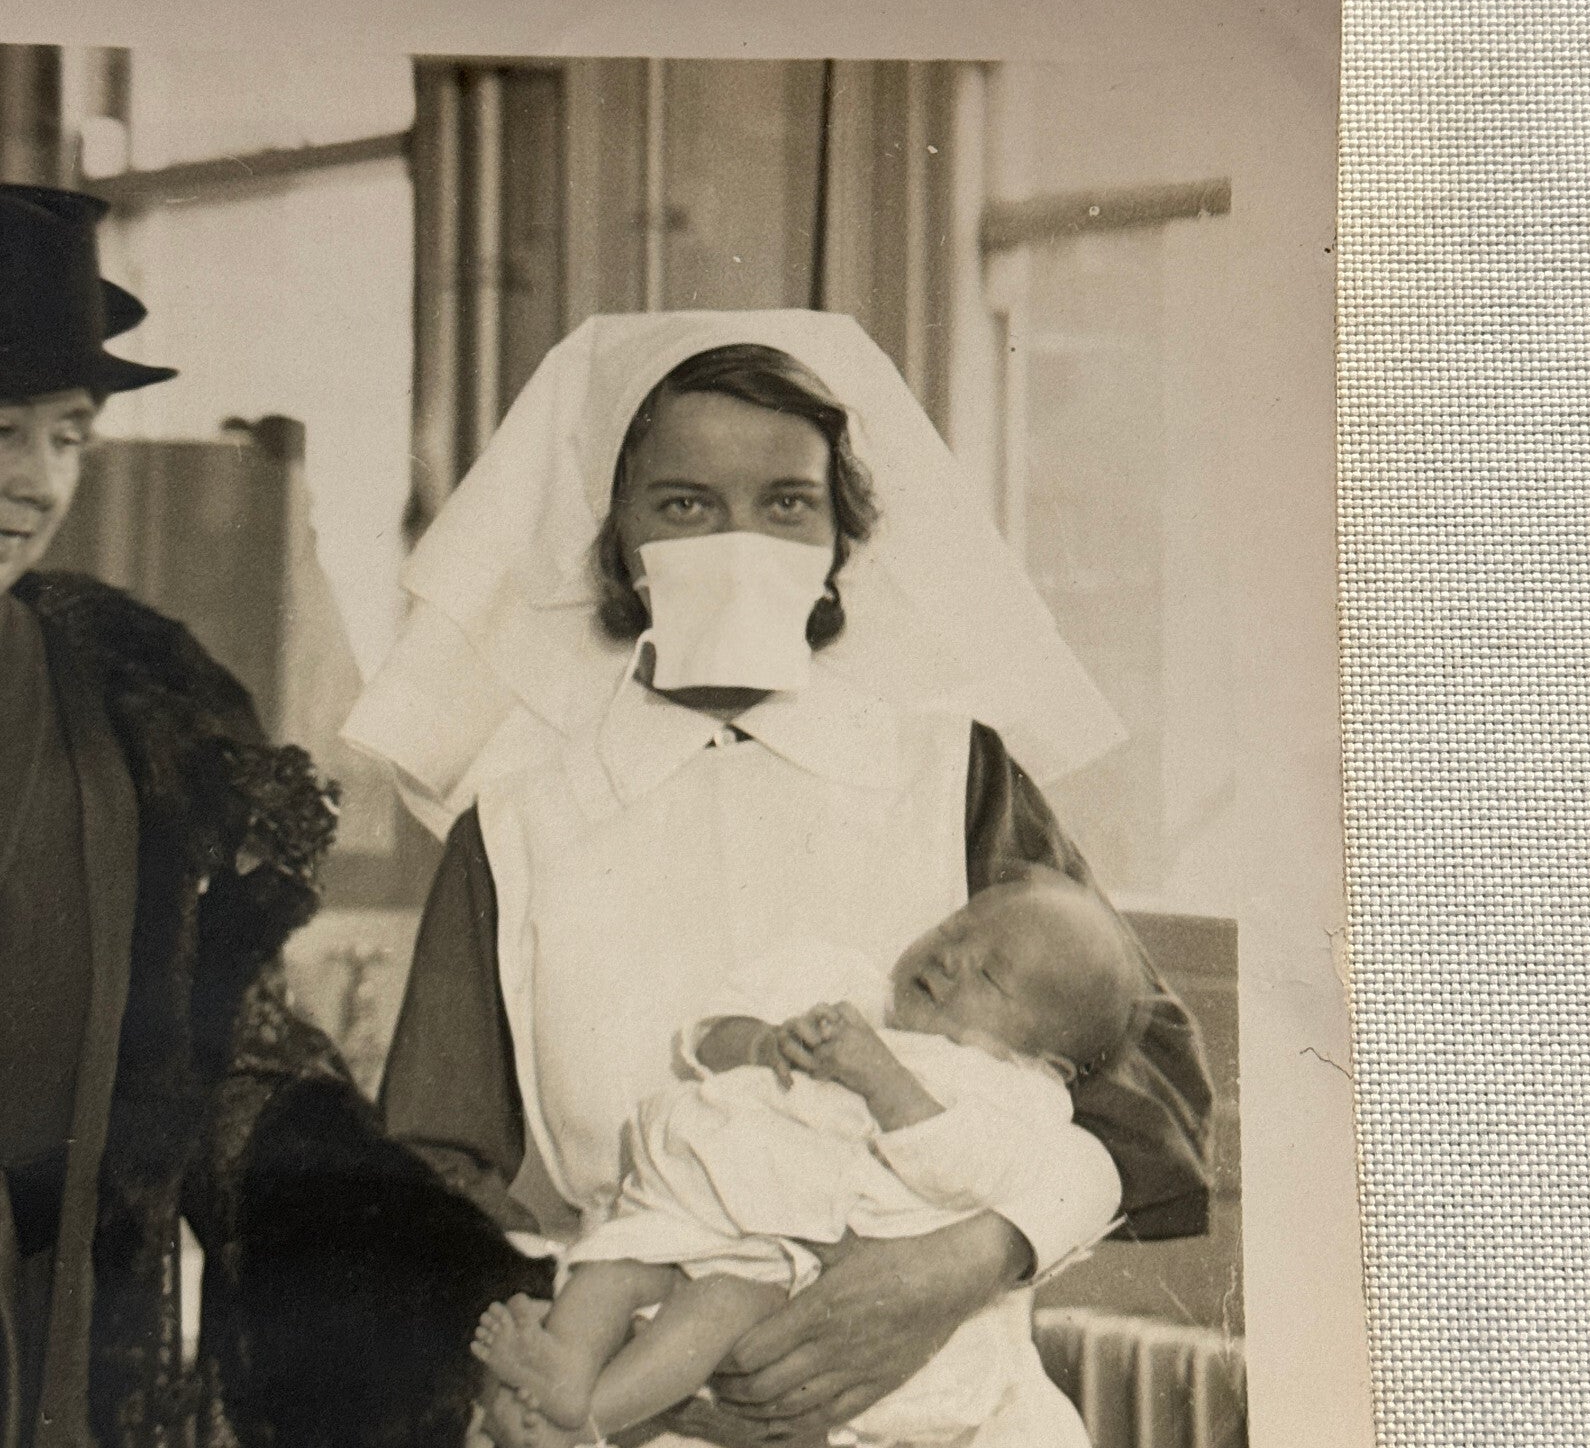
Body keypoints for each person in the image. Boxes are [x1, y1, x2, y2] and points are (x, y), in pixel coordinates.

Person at [347, 312, 1215, 1447]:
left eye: (786, 502)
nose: (737, 541)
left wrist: (961, 1259)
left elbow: (1146, 1083)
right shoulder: (516, 825)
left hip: (945, 1405)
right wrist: (583, 1375)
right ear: (614, 540)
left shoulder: (952, 771)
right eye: (684, 503)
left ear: (840, 537)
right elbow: (429, 1172)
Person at [0, 184, 548, 1448]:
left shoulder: (134, 704)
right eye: (2, 429)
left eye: (69, 436)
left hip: (56, 1373)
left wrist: (466, 1301)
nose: (35, 483)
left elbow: (233, 1068)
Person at [471, 871, 1141, 1448]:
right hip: (688, 1207)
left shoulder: (1003, 1090)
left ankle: (590, 1416)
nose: (951, 958)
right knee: (608, 1266)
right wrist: (763, 1044)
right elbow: (709, 1039)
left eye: (991, 974)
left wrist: (884, 1079)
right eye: (952, 932)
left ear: (1042, 1057)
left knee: (717, 1307)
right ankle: (562, 1374)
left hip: (786, 1259)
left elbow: (975, 1167)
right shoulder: (849, 993)